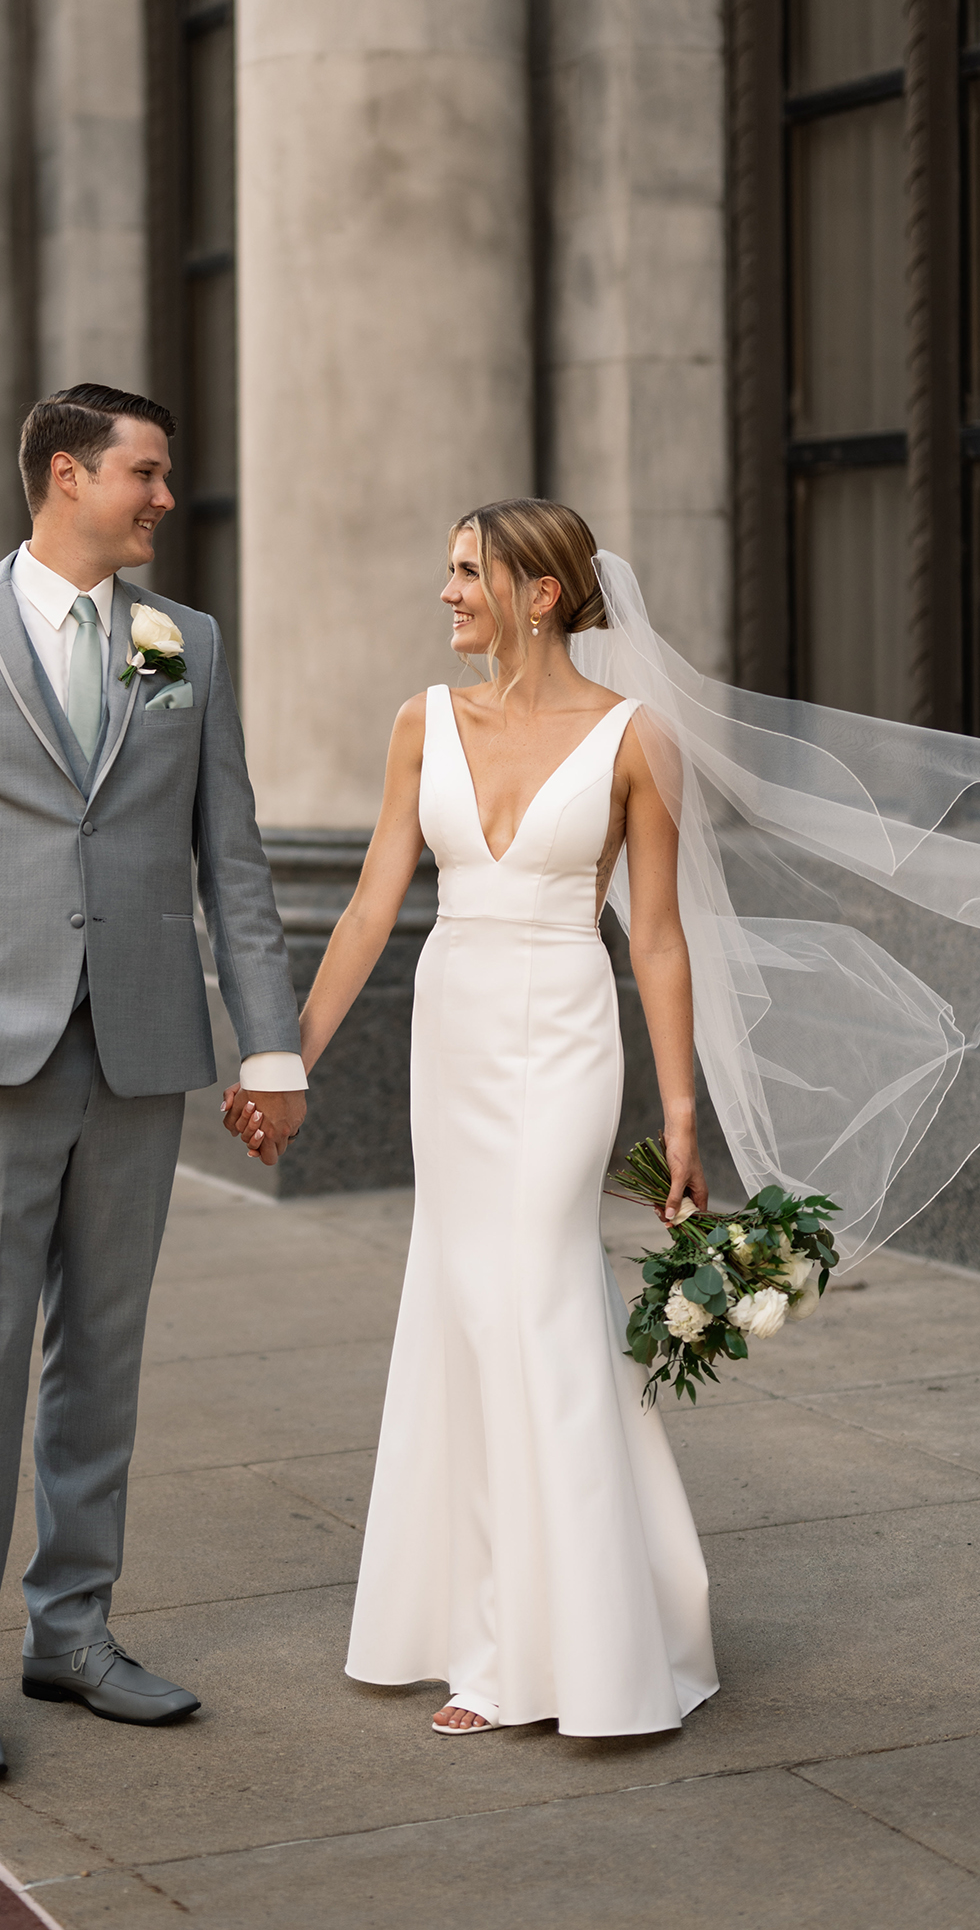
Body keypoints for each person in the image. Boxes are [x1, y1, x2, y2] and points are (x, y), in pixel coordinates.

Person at [0, 383, 309, 1783]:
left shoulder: (183, 643)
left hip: (141, 1050)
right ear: (63, 476)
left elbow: (233, 861)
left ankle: (73, 1632)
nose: (165, 497)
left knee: (103, 1359)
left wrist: (265, 1048)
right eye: (144, 474)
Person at [228, 498, 719, 1737]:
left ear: (537, 591)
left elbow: (654, 939)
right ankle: (515, 1622)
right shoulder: (419, 722)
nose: (445, 593)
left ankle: (544, 1653)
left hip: (562, 1032)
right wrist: (287, 1055)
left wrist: (678, 1114)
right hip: (451, 1037)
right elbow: (364, 910)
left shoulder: (633, 740)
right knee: (464, 1297)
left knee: (536, 1294)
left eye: (464, 572)